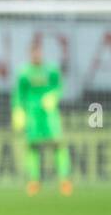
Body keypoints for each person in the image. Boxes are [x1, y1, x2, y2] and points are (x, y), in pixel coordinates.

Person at [13, 40, 71, 196]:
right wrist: (18, 110)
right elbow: (19, 94)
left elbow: (59, 86)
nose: (37, 55)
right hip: (32, 114)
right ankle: (34, 181)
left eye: (38, 52)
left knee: (58, 144)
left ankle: (64, 180)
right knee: (32, 147)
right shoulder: (24, 72)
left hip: (49, 113)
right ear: (29, 54)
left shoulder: (51, 70)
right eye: (33, 52)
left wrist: (54, 96)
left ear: (42, 52)